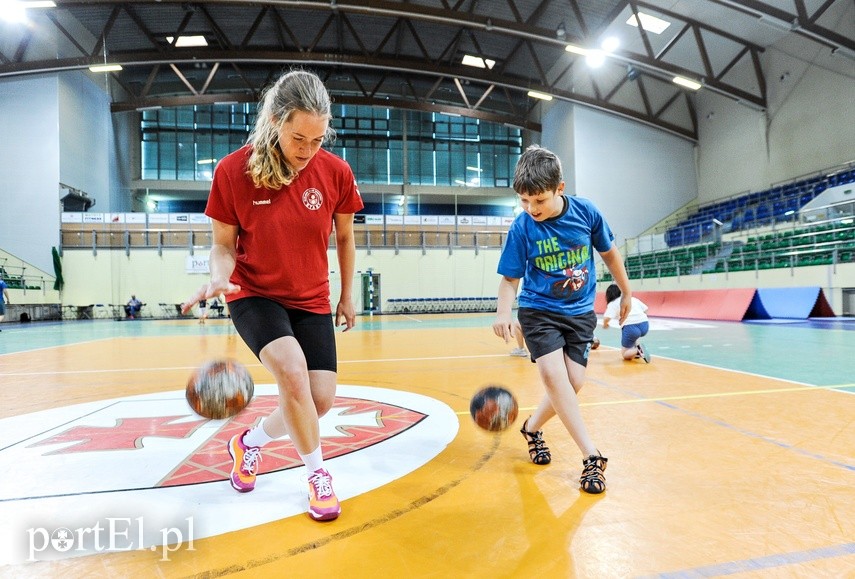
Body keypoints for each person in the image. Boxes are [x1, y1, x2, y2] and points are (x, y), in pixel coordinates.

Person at [181, 69, 363, 522]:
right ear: (276, 121)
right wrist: (219, 276)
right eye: (299, 138)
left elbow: (344, 239)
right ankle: (318, 476)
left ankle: (249, 443)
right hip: (253, 292)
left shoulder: (336, 172)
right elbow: (222, 245)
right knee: (292, 373)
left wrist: (347, 294)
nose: (307, 151)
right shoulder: (232, 171)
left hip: (312, 296)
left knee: (318, 399)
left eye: (318, 140)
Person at [492, 145, 633, 495]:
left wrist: (626, 291)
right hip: (539, 310)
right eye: (525, 201)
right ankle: (592, 455)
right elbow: (510, 280)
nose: (531, 209)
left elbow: (610, 253)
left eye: (539, 200)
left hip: (580, 311)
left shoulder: (586, 213)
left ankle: (531, 428)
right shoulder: (522, 228)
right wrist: (503, 312)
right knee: (555, 377)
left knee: (574, 381)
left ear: (560, 188)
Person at [602, 283, 650, 363]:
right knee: (634, 335)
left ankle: (638, 351)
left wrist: (605, 324)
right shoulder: (631, 298)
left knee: (625, 354)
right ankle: (637, 350)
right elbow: (646, 309)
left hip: (630, 328)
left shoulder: (613, 303)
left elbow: (607, 318)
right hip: (645, 325)